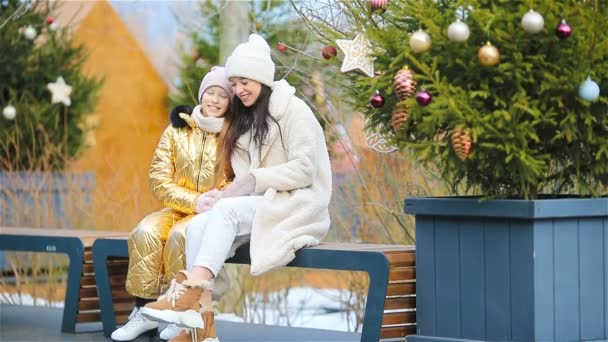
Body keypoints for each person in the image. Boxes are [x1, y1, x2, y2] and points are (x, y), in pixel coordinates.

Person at [139, 33, 333, 342]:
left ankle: (188, 293)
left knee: (226, 211)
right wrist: (223, 193)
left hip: (297, 204)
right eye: (235, 83)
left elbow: (305, 169)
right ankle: (202, 329)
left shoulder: (293, 111)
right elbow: (241, 182)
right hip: (260, 204)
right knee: (199, 225)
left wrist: (252, 182)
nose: (238, 90)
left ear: (261, 78)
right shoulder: (245, 122)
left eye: (245, 81)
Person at [111, 67, 234, 342]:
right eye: (210, 93)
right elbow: (158, 178)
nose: (214, 100)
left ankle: (178, 311)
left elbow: (236, 179)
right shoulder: (177, 130)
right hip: (180, 205)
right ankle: (143, 312)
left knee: (182, 235)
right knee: (146, 231)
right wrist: (194, 200)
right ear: (201, 95)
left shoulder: (232, 135)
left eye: (222, 96)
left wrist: (214, 201)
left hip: (209, 213)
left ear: (229, 102)